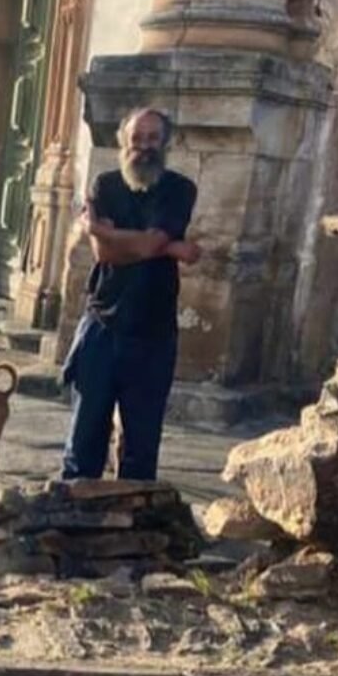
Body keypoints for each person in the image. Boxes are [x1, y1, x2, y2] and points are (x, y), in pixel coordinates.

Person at [60, 107, 201, 481]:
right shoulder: (104, 186)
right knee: (84, 440)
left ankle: (130, 526)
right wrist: (170, 248)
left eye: (153, 138)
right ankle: (71, 524)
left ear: (165, 142)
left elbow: (146, 243)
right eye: (137, 138)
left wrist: (103, 230)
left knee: (141, 445)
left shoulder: (179, 189)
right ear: (124, 141)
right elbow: (105, 255)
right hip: (102, 326)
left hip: (153, 332)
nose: (144, 147)